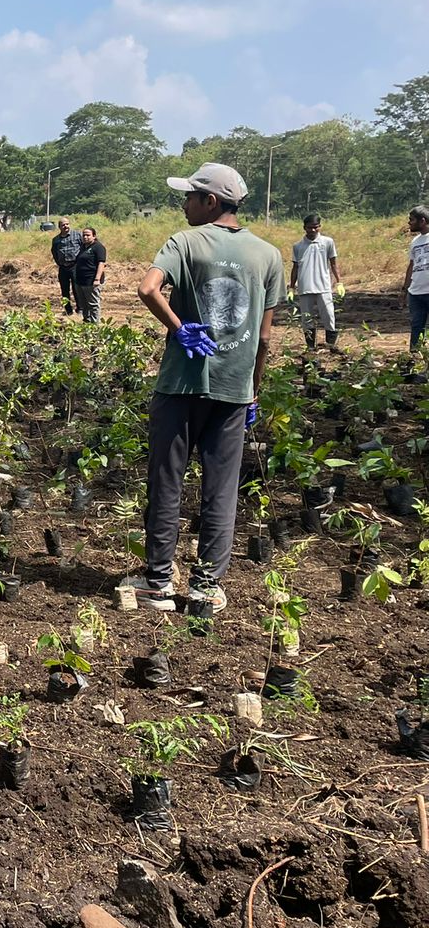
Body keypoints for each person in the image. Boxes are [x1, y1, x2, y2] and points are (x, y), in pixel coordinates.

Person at [120, 162, 282, 615]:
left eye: (189, 197)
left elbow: (148, 289)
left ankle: (157, 584)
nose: (184, 205)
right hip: (233, 391)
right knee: (221, 489)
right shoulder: (268, 256)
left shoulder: (185, 242)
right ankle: (206, 588)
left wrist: (179, 328)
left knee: (166, 480)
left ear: (210, 202)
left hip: (180, 386)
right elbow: (265, 338)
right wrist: (253, 392)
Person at [291, 215, 342, 352]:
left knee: (329, 315)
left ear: (320, 227)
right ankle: (310, 347)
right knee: (307, 318)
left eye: (316, 227)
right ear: (304, 228)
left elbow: (333, 263)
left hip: (323, 286)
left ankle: (331, 345)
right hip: (305, 287)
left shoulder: (327, 242)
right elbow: (295, 267)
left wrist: (339, 282)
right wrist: (292, 287)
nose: (313, 230)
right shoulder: (298, 246)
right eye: (310, 227)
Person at [405, 206, 429, 355]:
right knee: (416, 327)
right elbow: (411, 265)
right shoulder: (415, 241)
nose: (409, 223)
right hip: (416, 292)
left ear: (422, 221)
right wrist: (405, 289)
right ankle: (415, 358)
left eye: (411, 220)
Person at [73, 227, 107, 323]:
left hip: (91, 280)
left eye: (88, 235)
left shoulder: (98, 247)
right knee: (84, 304)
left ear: (94, 236)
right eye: (83, 235)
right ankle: (87, 322)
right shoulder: (83, 247)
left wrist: (97, 279)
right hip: (80, 280)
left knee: (93, 304)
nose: (85, 237)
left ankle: (94, 324)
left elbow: (101, 263)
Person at [50, 218, 80, 315]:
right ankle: (68, 310)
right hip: (63, 268)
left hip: (75, 266)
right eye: (63, 225)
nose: (65, 226)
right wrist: (59, 263)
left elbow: (83, 247)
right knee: (64, 290)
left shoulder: (77, 235)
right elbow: (54, 252)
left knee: (77, 288)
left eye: (67, 224)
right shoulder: (56, 240)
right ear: (59, 227)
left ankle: (80, 308)